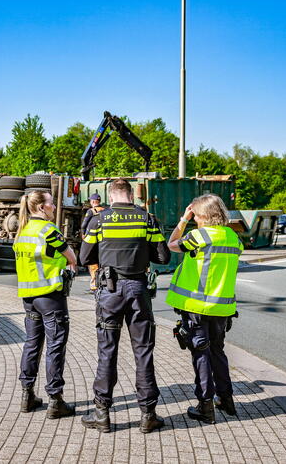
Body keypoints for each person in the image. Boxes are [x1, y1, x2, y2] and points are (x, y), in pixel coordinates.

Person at [79, 179, 171, 433]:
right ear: (131, 195)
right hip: (138, 290)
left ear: (110, 195)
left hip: (109, 291)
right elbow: (163, 256)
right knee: (143, 350)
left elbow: (84, 257)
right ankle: (148, 415)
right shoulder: (147, 219)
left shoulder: (99, 220)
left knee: (107, 351)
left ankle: (102, 414)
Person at [165, 194, 243, 424]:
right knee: (218, 352)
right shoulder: (233, 237)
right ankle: (226, 400)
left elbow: (171, 245)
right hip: (222, 309)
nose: (195, 219)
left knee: (201, 355)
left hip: (197, 308)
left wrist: (182, 220)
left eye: (196, 215)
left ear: (204, 216)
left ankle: (205, 406)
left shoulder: (198, 236)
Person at [13, 190, 78, 419]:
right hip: (50, 297)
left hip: (29, 299)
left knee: (32, 345)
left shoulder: (22, 231)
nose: (53, 207)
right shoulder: (48, 230)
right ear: (41, 207)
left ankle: (27, 395)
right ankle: (55, 400)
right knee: (55, 346)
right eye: (50, 204)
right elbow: (72, 258)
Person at [81, 193, 105, 291]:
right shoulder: (105, 210)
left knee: (92, 262)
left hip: (92, 240)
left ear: (93, 202)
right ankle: (103, 282)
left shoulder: (91, 211)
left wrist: (83, 234)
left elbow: (84, 224)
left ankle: (94, 284)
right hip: (103, 240)